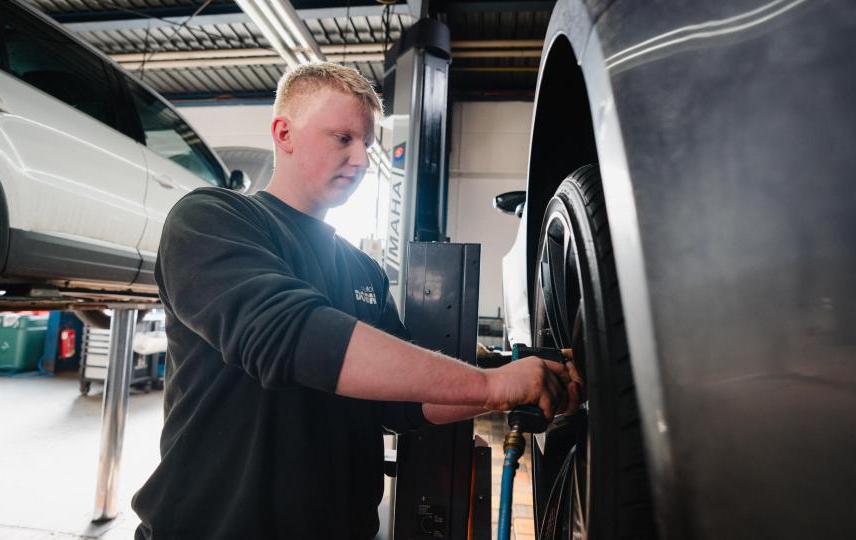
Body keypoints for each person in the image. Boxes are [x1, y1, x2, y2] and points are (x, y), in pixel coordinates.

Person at [132, 62, 582, 539]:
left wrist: (507, 383)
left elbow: (398, 405)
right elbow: (288, 336)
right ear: (284, 133)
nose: (363, 160)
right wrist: (490, 387)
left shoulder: (362, 270)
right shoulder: (212, 219)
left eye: (367, 144)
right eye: (342, 138)